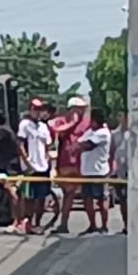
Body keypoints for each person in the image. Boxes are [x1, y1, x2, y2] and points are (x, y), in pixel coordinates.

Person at [49, 97, 91, 234]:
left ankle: (94, 225)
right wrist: (72, 123)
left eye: (83, 109)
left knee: (88, 194)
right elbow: (55, 129)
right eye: (79, 109)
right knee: (68, 194)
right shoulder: (62, 120)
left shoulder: (87, 123)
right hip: (66, 163)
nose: (81, 112)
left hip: (83, 163)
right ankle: (64, 224)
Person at [15, 100, 54, 233]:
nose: (38, 112)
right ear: (30, 109)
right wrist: (27, 163)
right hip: (31, 167)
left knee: (42, 197)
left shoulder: (44, 127)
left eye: (40, 109)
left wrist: (48, 159)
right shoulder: (25, 124)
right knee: (29, 197)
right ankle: (28, 222)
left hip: (43, 166)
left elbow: (48, 145)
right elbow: (20, 144)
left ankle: (37, 223)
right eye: (35, 109)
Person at [0, 111, 25, 234]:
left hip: (10, 166)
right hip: (7, 164)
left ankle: (16, 221)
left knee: (11, 191)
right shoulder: (5, 130)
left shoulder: (1, 130)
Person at [77, 110, 112, 234]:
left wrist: (79, 145)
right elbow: (79, 141)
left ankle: (104, 226)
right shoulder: (90, 131)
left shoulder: (104, 133)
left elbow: (87, 145)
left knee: (101, 200)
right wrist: (79, 144)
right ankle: (92, 225)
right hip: (86, 171)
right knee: (87, 199)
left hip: (99, 171)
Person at [110, 112, 130, 234]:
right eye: (122, 116)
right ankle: (126, 224)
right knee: (122, 200)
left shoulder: (134, 134)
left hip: (132, 170)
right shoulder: (114, 134)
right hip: (119, 170)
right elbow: (112, 152)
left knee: (133, 200)